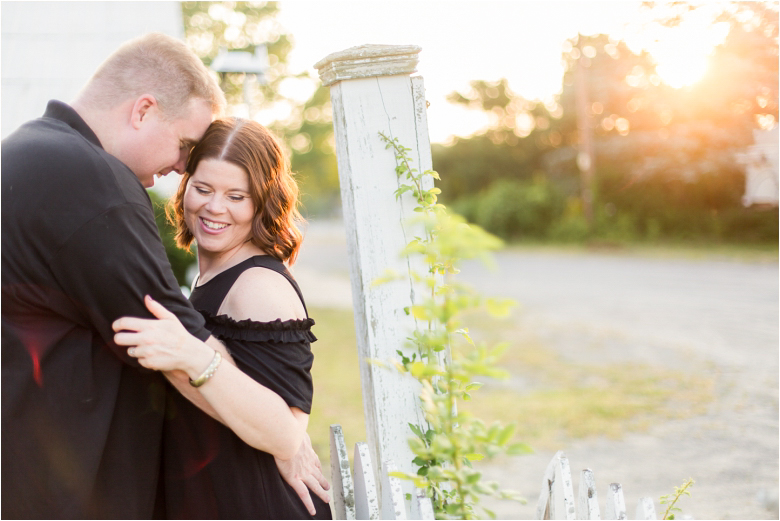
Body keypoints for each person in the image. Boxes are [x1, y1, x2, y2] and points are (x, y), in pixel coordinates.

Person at [1, 33, 327, 519]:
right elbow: (172, 336)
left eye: (236, 196)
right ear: (143, 110)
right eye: (185, 147)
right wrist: (280, 433)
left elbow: (182, 347)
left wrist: (283, 433)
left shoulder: (28, 150)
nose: (180, 166)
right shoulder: (92, 182)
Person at [112, 117, 332, 519]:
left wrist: (192, 356)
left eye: (236, 196)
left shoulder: (258, 287)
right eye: (203, 188)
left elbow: (287, 433)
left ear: (262, 203)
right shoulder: (212, 275)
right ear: (185, 186)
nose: (214, 207)